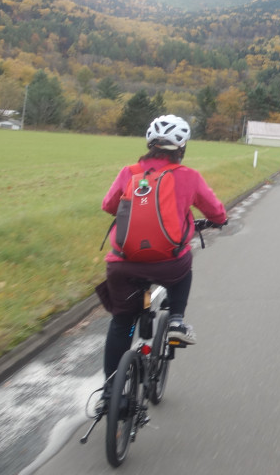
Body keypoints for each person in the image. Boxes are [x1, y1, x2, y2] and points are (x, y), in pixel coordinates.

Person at [97, 114, 228, 383]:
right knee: (184, 265)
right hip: (169, 264)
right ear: (181, 149)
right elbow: (215, 211)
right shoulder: (189, 177)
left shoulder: (128, 173)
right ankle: (177, 320)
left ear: (149, 145)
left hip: (123, 264)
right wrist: (219, 221)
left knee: (122, 323)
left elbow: (109, 206)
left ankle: (110, 392)